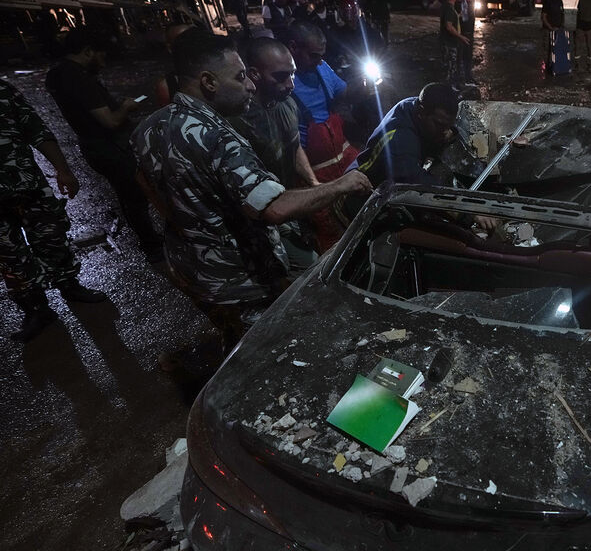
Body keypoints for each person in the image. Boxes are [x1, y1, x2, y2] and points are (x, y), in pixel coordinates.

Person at [131, 30, 371, 350]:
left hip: (193, 270)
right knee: (262, 353)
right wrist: (341, 184)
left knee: (232, 339)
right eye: (241, 76)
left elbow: (142, 177)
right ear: (209, 82)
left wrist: (182, 219)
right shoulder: (218, 137)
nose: (250, 85)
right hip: (238, 281)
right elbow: (274, 207)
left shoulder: (151, 125)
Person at [1, 80, 107, 342]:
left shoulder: (3, 91)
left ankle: (70, 286)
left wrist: (63, 169)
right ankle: (36, 309)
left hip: (28, 185)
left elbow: (36, 129)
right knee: (10, 256)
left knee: (52, 237)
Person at [45, 27, 163, 263]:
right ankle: (152, 246)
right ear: (88, 51)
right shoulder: (79, 78)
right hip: (111, 147)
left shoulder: (56, 74)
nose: (104, 61)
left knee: (128, 195)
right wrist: (127, 107)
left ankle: (149, 240)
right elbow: (110, 121)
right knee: (135, 195)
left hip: (93, 146)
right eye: (101, 55)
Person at [342, 83, 499, 231]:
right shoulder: (400, 141)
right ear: (421, 112)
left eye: (448, 125)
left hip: (391, 181)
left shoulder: (413, 106)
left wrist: (449, 132)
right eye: (439, 125)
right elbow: (421, 187)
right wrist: (468, 210)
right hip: (360, 199)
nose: (445, 131)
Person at [230, 37, 320, 273]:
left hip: (286, 205)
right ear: (254, 74)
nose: (290, 84)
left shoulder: (288, 104)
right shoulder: (238, 120)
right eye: (280, 76)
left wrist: (313, 183)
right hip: (258, 216)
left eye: (292, 75)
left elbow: (295, 146)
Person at [278, 21, 360, 250]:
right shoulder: (282, 83)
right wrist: (313, 184)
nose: (320, 61)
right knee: (329, 232)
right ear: (293, 48)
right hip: (313, 171)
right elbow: (290, 144)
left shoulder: (321, 68)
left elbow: (343, 93)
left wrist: (364, 84)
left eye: (321, 55)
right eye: (314, 56)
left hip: (342, 158)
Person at [440, 0, 470, 88]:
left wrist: (459, 15)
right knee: (451, 67)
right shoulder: (449, 8)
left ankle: (450, 87)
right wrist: (461, 37)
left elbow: (451, 19)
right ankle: (449, 90)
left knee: (450, 66)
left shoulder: (448, 6)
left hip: (448, 42)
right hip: (450, 43)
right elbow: (449, 26)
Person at [455, 0, 477, 84]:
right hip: (458, 32)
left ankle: (469, 77)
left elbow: (472, 9)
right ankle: (458, 79)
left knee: (468, 56)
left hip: (469, 30)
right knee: (458, 56)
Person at [541, 0, 565, 73]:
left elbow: (562, 14)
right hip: (548, 29)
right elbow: (543, 17)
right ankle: (546, 66)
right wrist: (550, 27)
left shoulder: (560, 1)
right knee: (547, 48)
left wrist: (561, 26)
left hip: (558, 30)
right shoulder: (547, 2)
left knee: (557, 49)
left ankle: (556, 65)